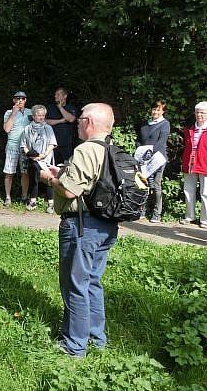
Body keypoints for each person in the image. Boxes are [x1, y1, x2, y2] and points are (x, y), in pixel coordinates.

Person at [40, 103, 119, 358]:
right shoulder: (111, 149)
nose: (77, 124)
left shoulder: (85, 150)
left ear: (88, 122)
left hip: (81, 226)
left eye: (79, 120)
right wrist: (62, 171)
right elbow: (93, 181)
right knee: (92, 283)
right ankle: (97, 339)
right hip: (105, 225)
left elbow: (70, 191)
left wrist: (49, 179)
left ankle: (74, 346)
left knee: (75, 285)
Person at [180, 101, 207, 228]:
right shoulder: (189, 128)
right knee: (188, 191)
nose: (199, 114)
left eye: (202, 112)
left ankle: (206, 220)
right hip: (190, 164)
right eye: (197, 112)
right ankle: (189, 217)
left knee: (206, 193)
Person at [138, 100, 171, 222]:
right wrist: (140, 152)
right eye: (154, 109)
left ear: (163, 111)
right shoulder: (145, 124)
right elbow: (139, 140)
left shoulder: (165, 124)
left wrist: (149, 154)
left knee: (156, 185)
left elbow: (161, 142)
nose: (155, 112)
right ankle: (142, 210)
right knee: (142, 184)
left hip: (157, 159)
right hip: (143, 158)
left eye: (158, 110)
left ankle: (157, 213)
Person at [20, 104, 57, 213]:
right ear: (33, 116)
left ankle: (51, 203)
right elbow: (24, 145)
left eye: (43, 115)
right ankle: (33, 201)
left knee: (49, 178)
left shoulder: (48, 128)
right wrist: (30, 154)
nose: (41, 117)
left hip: (46, 158)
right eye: (39, 115)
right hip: (33, 159)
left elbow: (52, 144)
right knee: (33, 177)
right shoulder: (27, 129)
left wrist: (44, 155)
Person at [3, 91, 32, 206]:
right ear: (14, 100)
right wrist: (13, 113)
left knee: (25, 173)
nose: (20, 100)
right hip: (12, 145)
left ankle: (24, 197)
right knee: (9, 173)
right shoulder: (9, 112)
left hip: (26, 147)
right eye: (17, 98)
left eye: (22, 98)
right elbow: (6, 129)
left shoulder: (30, 112)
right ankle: (8, 197)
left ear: (25, 100)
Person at [45, 88, 77, 164]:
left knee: (66, 166)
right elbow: (44, 121)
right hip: (51, 145)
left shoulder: (71, 108)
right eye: (55, 94)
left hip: (66, 145)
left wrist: (60, 107)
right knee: (51, 167)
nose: (55, 96)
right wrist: (61, 120)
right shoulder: (50, 108)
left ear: (65, 96)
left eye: (58, 94)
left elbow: (71, 119)